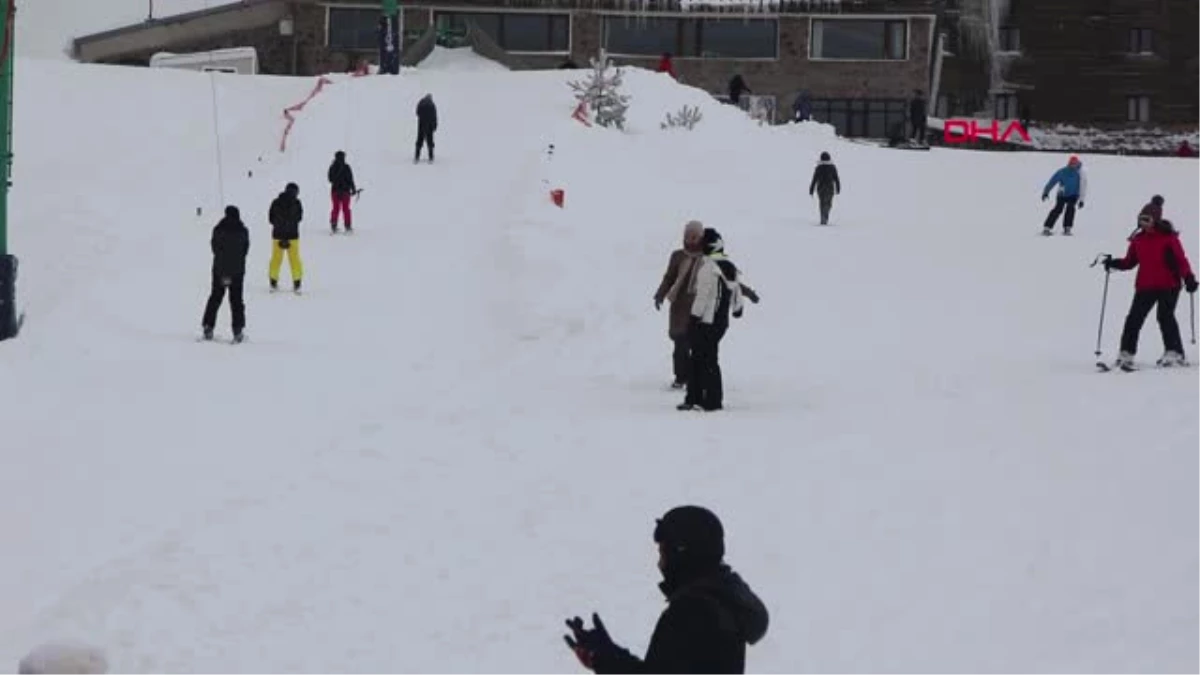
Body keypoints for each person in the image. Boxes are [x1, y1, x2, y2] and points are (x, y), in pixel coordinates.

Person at [563, 505, 768, 675]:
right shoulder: (718, 604)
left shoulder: (694, 612)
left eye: (663, 553)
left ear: (683, 554)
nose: (660, 564)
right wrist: (604, 657)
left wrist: (604, 659)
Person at [1102, 214, 1198, 368]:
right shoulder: (1138, 240)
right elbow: (1130, 262)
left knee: (1165, 317)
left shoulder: (1168, 238)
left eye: (1147, 220)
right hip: (1146, 286)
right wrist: (1114, 263)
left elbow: (1181, 260)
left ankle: (1174, 352)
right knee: (1134, 318)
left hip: (1169, 284)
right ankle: (1126, 353)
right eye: (1141, 219)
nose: (1143, 223)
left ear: (1155, 221)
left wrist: (1189, 278)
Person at [679, 229, 746, 412]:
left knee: (701, 359)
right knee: (708, 358)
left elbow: (703, 296)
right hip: (721, 323)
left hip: (706, 321)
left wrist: (693, 318)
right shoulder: (729, 265)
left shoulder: (708, 267)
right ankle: (706, 398)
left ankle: (703, 399)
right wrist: (737, 308)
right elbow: (736, 290)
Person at [654, 221, 705, 388]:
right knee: (680, 345)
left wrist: (745, 293)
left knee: (697, 345)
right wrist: (660, 295)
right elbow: (669, 278)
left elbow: (726, 279)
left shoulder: (708, 258)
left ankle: (695, 377)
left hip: (699, 308)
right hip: (679, 308)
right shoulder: (677, 256)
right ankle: (681, 377)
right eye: (687, 236)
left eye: (694, 236)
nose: (690, 239)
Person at [201, 205, 249, 342]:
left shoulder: (218, 229)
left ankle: (208, 326)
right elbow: (245, 249)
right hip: (237, 272)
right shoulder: (243, 230)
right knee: (236, 301)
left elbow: (214, 247)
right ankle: (238, 330)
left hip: (219, 271)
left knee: (215, 298)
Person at [268, 182, 304, 293]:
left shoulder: (276, 202)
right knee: (295, 260)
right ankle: (297, 283)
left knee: (276, 259)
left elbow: (270, 218)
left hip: (277, 235)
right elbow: (299, 218)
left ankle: (273, 282)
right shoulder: (297, 203)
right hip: (293, 236)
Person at [1040, 155, 1086, 236]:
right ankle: (1047, 227)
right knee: (1058, 209)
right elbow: (1052, 181)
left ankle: (1067, 228)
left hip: (1073, 195)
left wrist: (1081, 200)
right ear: (1068, 163)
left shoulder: (1080, 173)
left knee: (1070, 209)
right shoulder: (1062, 171)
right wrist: (1046, 192)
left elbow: (1083, 186)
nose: (1072, 166)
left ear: (1077, 164)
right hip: (1062, 194)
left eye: (1074, 164)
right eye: (1071, 164)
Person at [328, 150, 358, 234]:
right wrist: (353, 189)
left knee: (335, 208)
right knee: (346, 209)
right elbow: (351, 179)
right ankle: (347, 226)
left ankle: (333, 225)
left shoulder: (332, 167)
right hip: (345, 191)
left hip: (335, 190)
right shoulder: (347, 167)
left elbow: (330, 179)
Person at [808, 151, 841, 225]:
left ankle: (823, 217)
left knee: (822, 203)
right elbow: (836, 178)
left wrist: (811, 189)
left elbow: (814, 179)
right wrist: (838, 188)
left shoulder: (819, 167)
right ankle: (825, 217)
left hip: (820, 188)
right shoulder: (832, 167)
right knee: (828, 203)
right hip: (830, 188)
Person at [416, 94, 437, 163]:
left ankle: (417, 157)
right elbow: (434, 116)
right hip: (429, 125)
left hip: (421, 124)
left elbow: (417, 112)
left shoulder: (421, 103)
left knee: (420, 140)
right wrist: (434, 125)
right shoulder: (432, 105)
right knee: (430, 141)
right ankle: (431, 157)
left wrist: (421, 118)